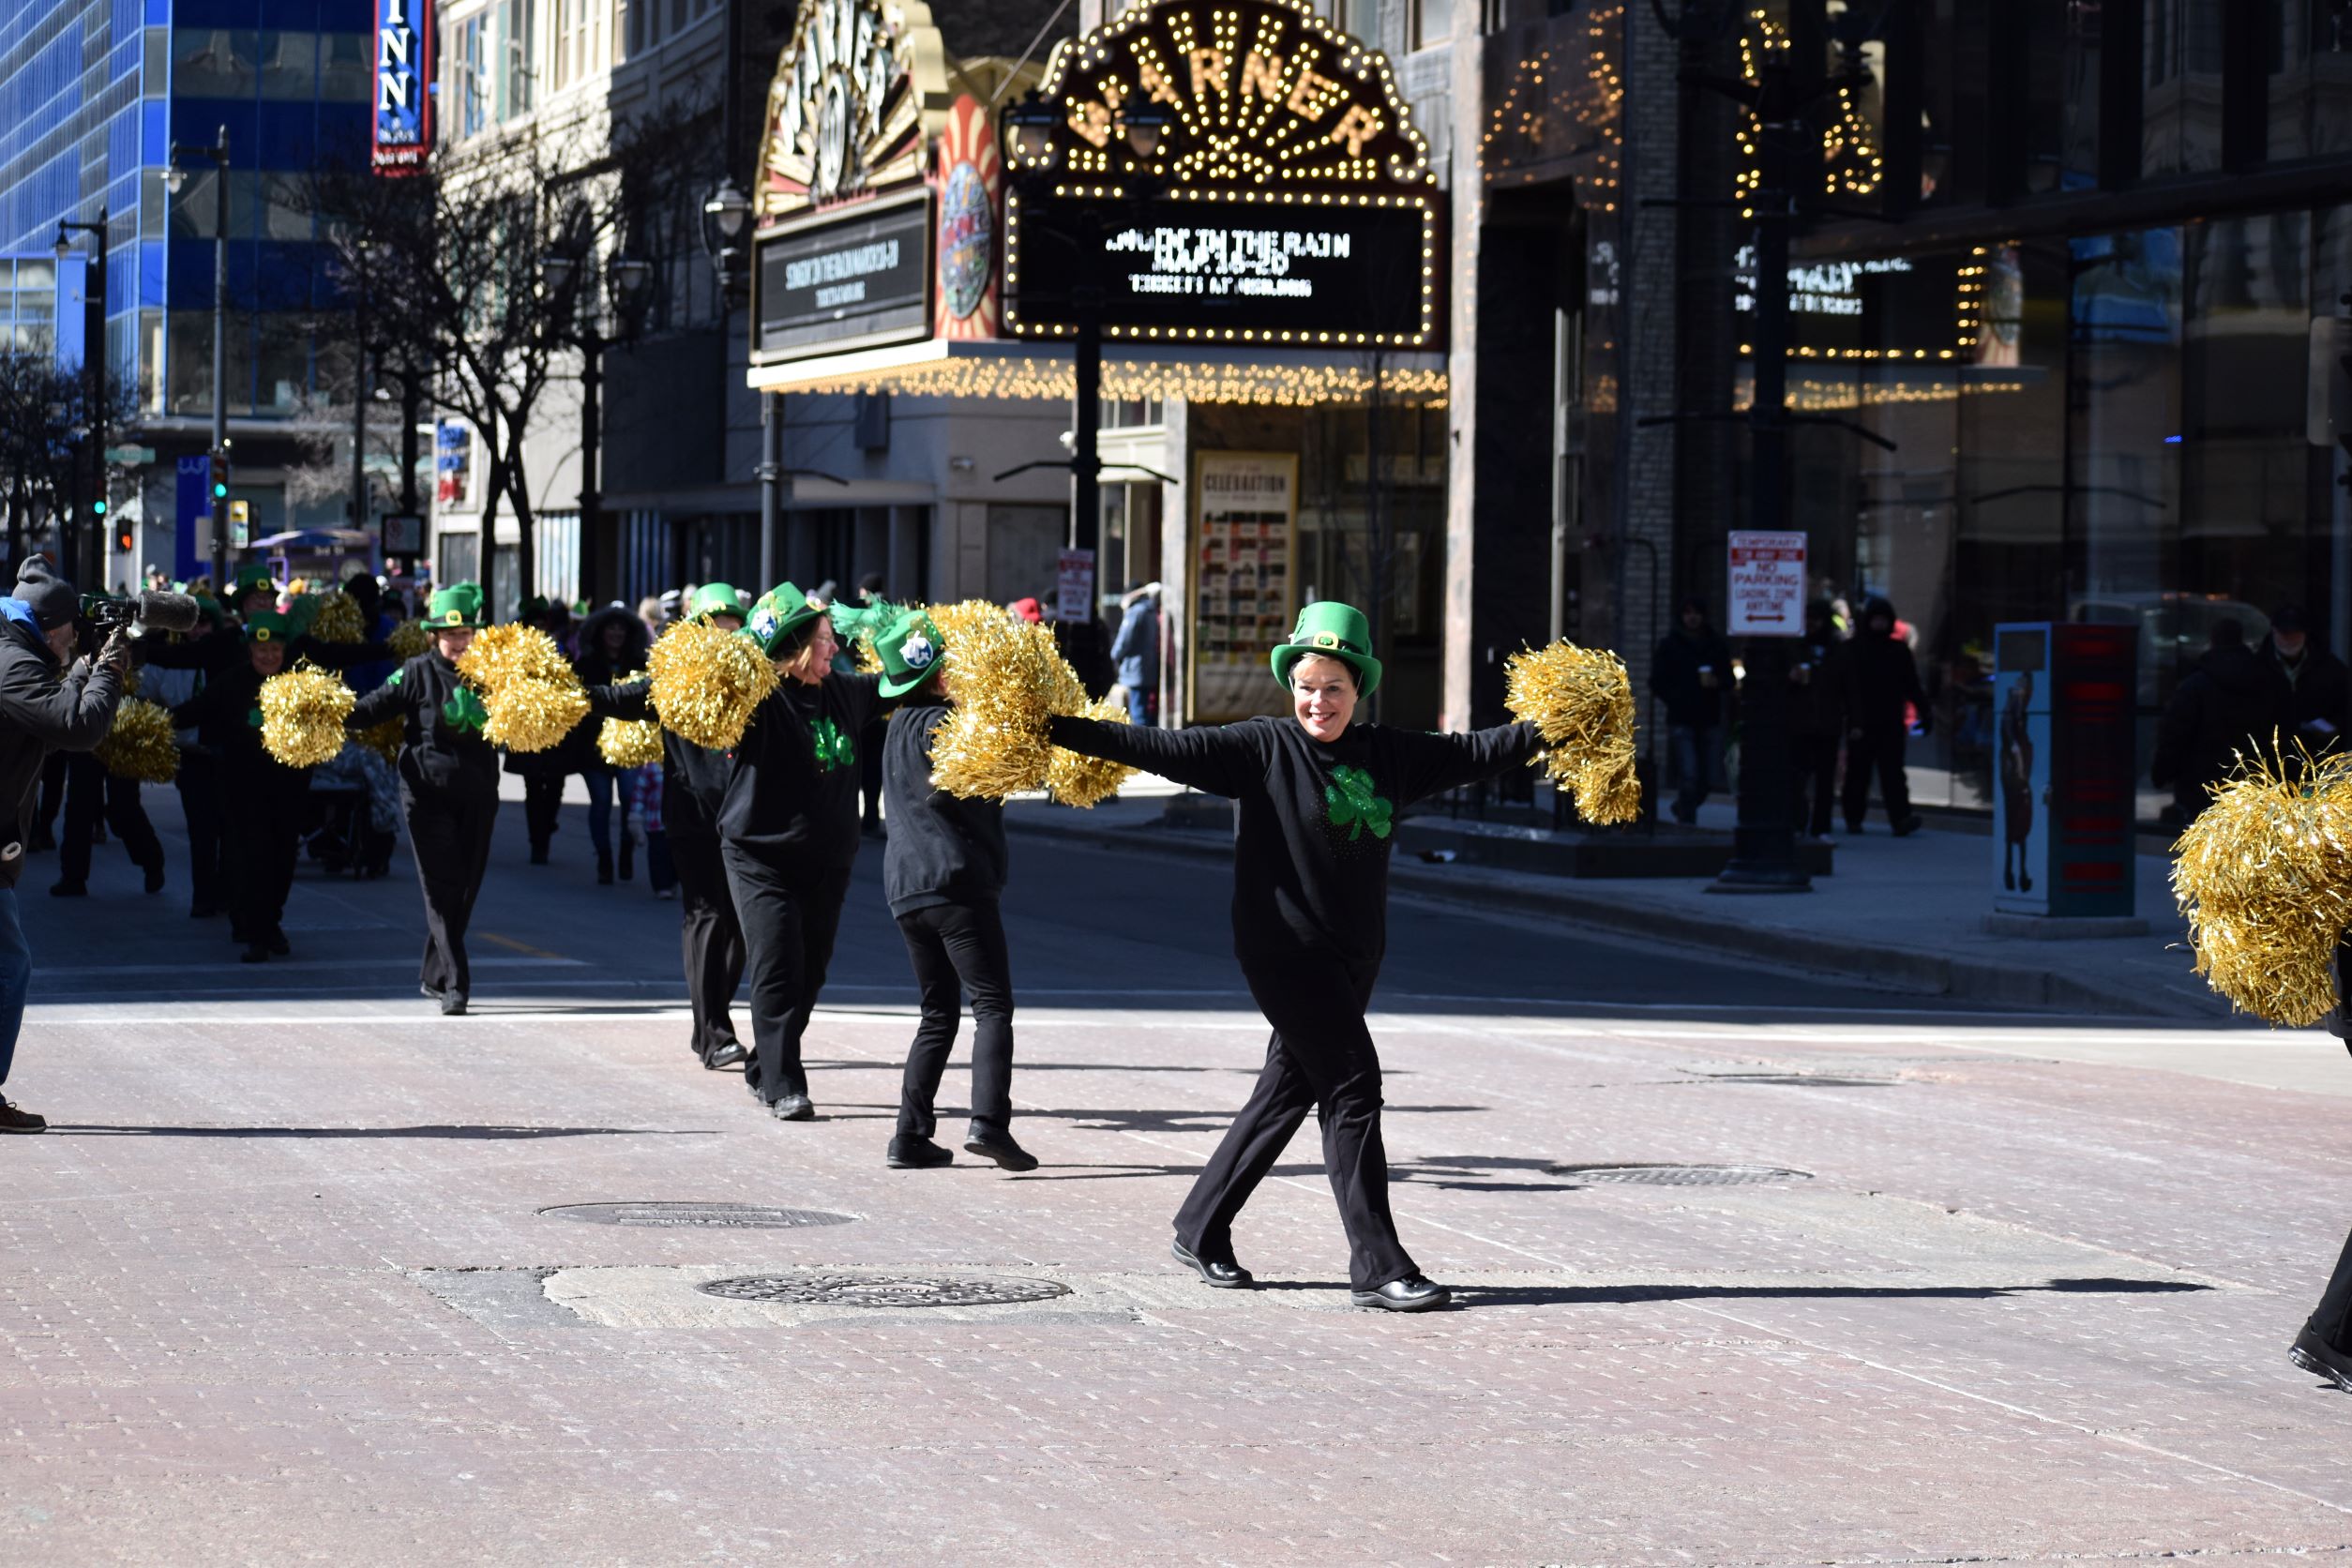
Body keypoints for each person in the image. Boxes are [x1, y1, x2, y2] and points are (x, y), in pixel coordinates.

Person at [1048, 601, 1544, 1311]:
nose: (1319, 701)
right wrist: (1055, 728)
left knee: (1287, 1089)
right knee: (1353, 1086)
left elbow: (1478, 752)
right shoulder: (1262, 748)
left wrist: (1563, 719)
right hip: (1284, 950)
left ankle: (1200, 1226)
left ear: (1358, 690)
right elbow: (1157, 747)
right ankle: (1378, 1266)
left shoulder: (1392, 756)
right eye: (1307, 685)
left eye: (1334, 687)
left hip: (1354, 955)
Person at [604, 583, 912, 1118]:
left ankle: (762, 1065)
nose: (833, 649)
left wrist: (893, 629)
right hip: (759, 855)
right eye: (823, 640)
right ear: (796, 648)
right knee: (776, 965)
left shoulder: (844, 693)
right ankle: (785, 1083)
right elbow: (658, 695)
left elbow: (908, 681)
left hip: (828, 859)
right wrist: (579, 697)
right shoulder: (757, 698)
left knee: (811, 972)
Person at [874, 610, 1033, 1172]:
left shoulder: (897, 725)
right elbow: (962, 788)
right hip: (956, 883)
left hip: (906, 888)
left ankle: (909, 1135)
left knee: (937, 1012)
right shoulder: (947, 725)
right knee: (992, 1006)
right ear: (941, 677)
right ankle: (989, 1123)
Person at [0, 557, 128, 1132]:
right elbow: (78, 729)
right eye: (71, 629)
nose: (75, 636)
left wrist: (80, 670)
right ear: (49, 626)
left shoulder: (15, 652)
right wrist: (107, 669)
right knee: (9, 966)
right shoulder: (10, 664)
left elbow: (51, 719)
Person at [344, 583, 499, 1016]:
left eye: (465, 633)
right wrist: (325, 707)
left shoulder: (494, 674)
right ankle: (456, 984)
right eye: (449, 635)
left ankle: (434, 973)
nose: (457, 642)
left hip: (479, 796)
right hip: (426, 796)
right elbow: (370, 709)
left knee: (464, 889)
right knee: (440, 888)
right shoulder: (415, 672)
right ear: (434, 636)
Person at [171, 611, 312, 961]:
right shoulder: (231, 682)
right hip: (242, 790)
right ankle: (257, 933)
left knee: (282, 863)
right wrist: (157, 721)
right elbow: (197, 710)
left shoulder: (299, 685)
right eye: (261, 648)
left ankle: (271, 922)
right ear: (250, 650)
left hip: (287, 791)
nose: (268, 655)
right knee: (252, 861)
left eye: (274, 648)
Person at [659, 583, 753, 1068]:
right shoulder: (672, 680)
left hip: (740, 818)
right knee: (707, 917)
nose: (726, 637)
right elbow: (621, 697)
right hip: (693, 819)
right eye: (717, 628)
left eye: (734, 628)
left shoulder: (752, 681)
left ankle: (708, 1025)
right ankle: (714, 1033)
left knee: (739, 924)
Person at [2152, 618, 2289, 825]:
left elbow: (2175, 734)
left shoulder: (2196, 686)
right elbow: (2283, 731)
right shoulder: (2268, 682)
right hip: (2254, 784)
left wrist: (2162, 772)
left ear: (2213, 640)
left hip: (2202, 785)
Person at [572, 605, 652, 882]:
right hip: (593, 749)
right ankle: (604, 858)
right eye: (611, 628)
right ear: (600, 632)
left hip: (629, 748)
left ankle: (626, 854)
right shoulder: (585, 665)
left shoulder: (641, 665)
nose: (616, 633)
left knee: (630, 800)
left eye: (621, 628)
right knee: (602, 802)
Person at [1840, 596, 1928, 836]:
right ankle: (1854, 817)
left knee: (1893, 774)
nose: (1879, 624)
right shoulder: (1853, 650)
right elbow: (1843, 687)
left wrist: (1924, 711)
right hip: (1862, 721)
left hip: (1889, 721)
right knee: (1858, 774)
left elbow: (1912, 685)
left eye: (1883, 620)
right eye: (1875, 620)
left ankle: (1900, 818)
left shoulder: (1897, 650)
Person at [1651, 597, 1730, 824]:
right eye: (1688, 613)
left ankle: (1684, 807)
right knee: (1689, 773)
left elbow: (1728, 680)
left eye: (1696, 613)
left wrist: (1717, 682)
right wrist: (1675, 698)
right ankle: (1687, 820)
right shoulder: (1671, 645)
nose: (1692, 618)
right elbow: (1657, 680)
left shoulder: (1715, 644)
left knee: (1708, 777)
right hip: (1681, 716)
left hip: (1708, 715)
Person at [2258, 605, 2350, 763]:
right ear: (2274, 631)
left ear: (2305, 634)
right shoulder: (2258, 668)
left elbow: (2345, 709)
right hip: (2272, 760)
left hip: (2318, 758)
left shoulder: (2330, 669)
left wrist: (2334, 729)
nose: (2290, 639)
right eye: (2285, 634)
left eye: (2296, 634)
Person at [1787, 602, 1843, 839]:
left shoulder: (1836, 648)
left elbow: (1847, 684)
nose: (1811, 623)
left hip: (1827, 722)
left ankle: (1821, 827)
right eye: (1807, 618)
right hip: (1799, 721)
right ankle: (1798, 822)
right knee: (1798, 776)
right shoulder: (1793, 647)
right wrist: (1790, 678)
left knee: (1824, 780)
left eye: (1816, 619)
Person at [1110, 581, 1162, 728]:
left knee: (1138, 713)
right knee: (1145, 711)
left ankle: (1143, 749)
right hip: (1147, 668)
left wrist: (1115, 655)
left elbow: (1124, 641)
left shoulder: (1135, 612)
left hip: (1135, 669)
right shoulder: (1150, 611)